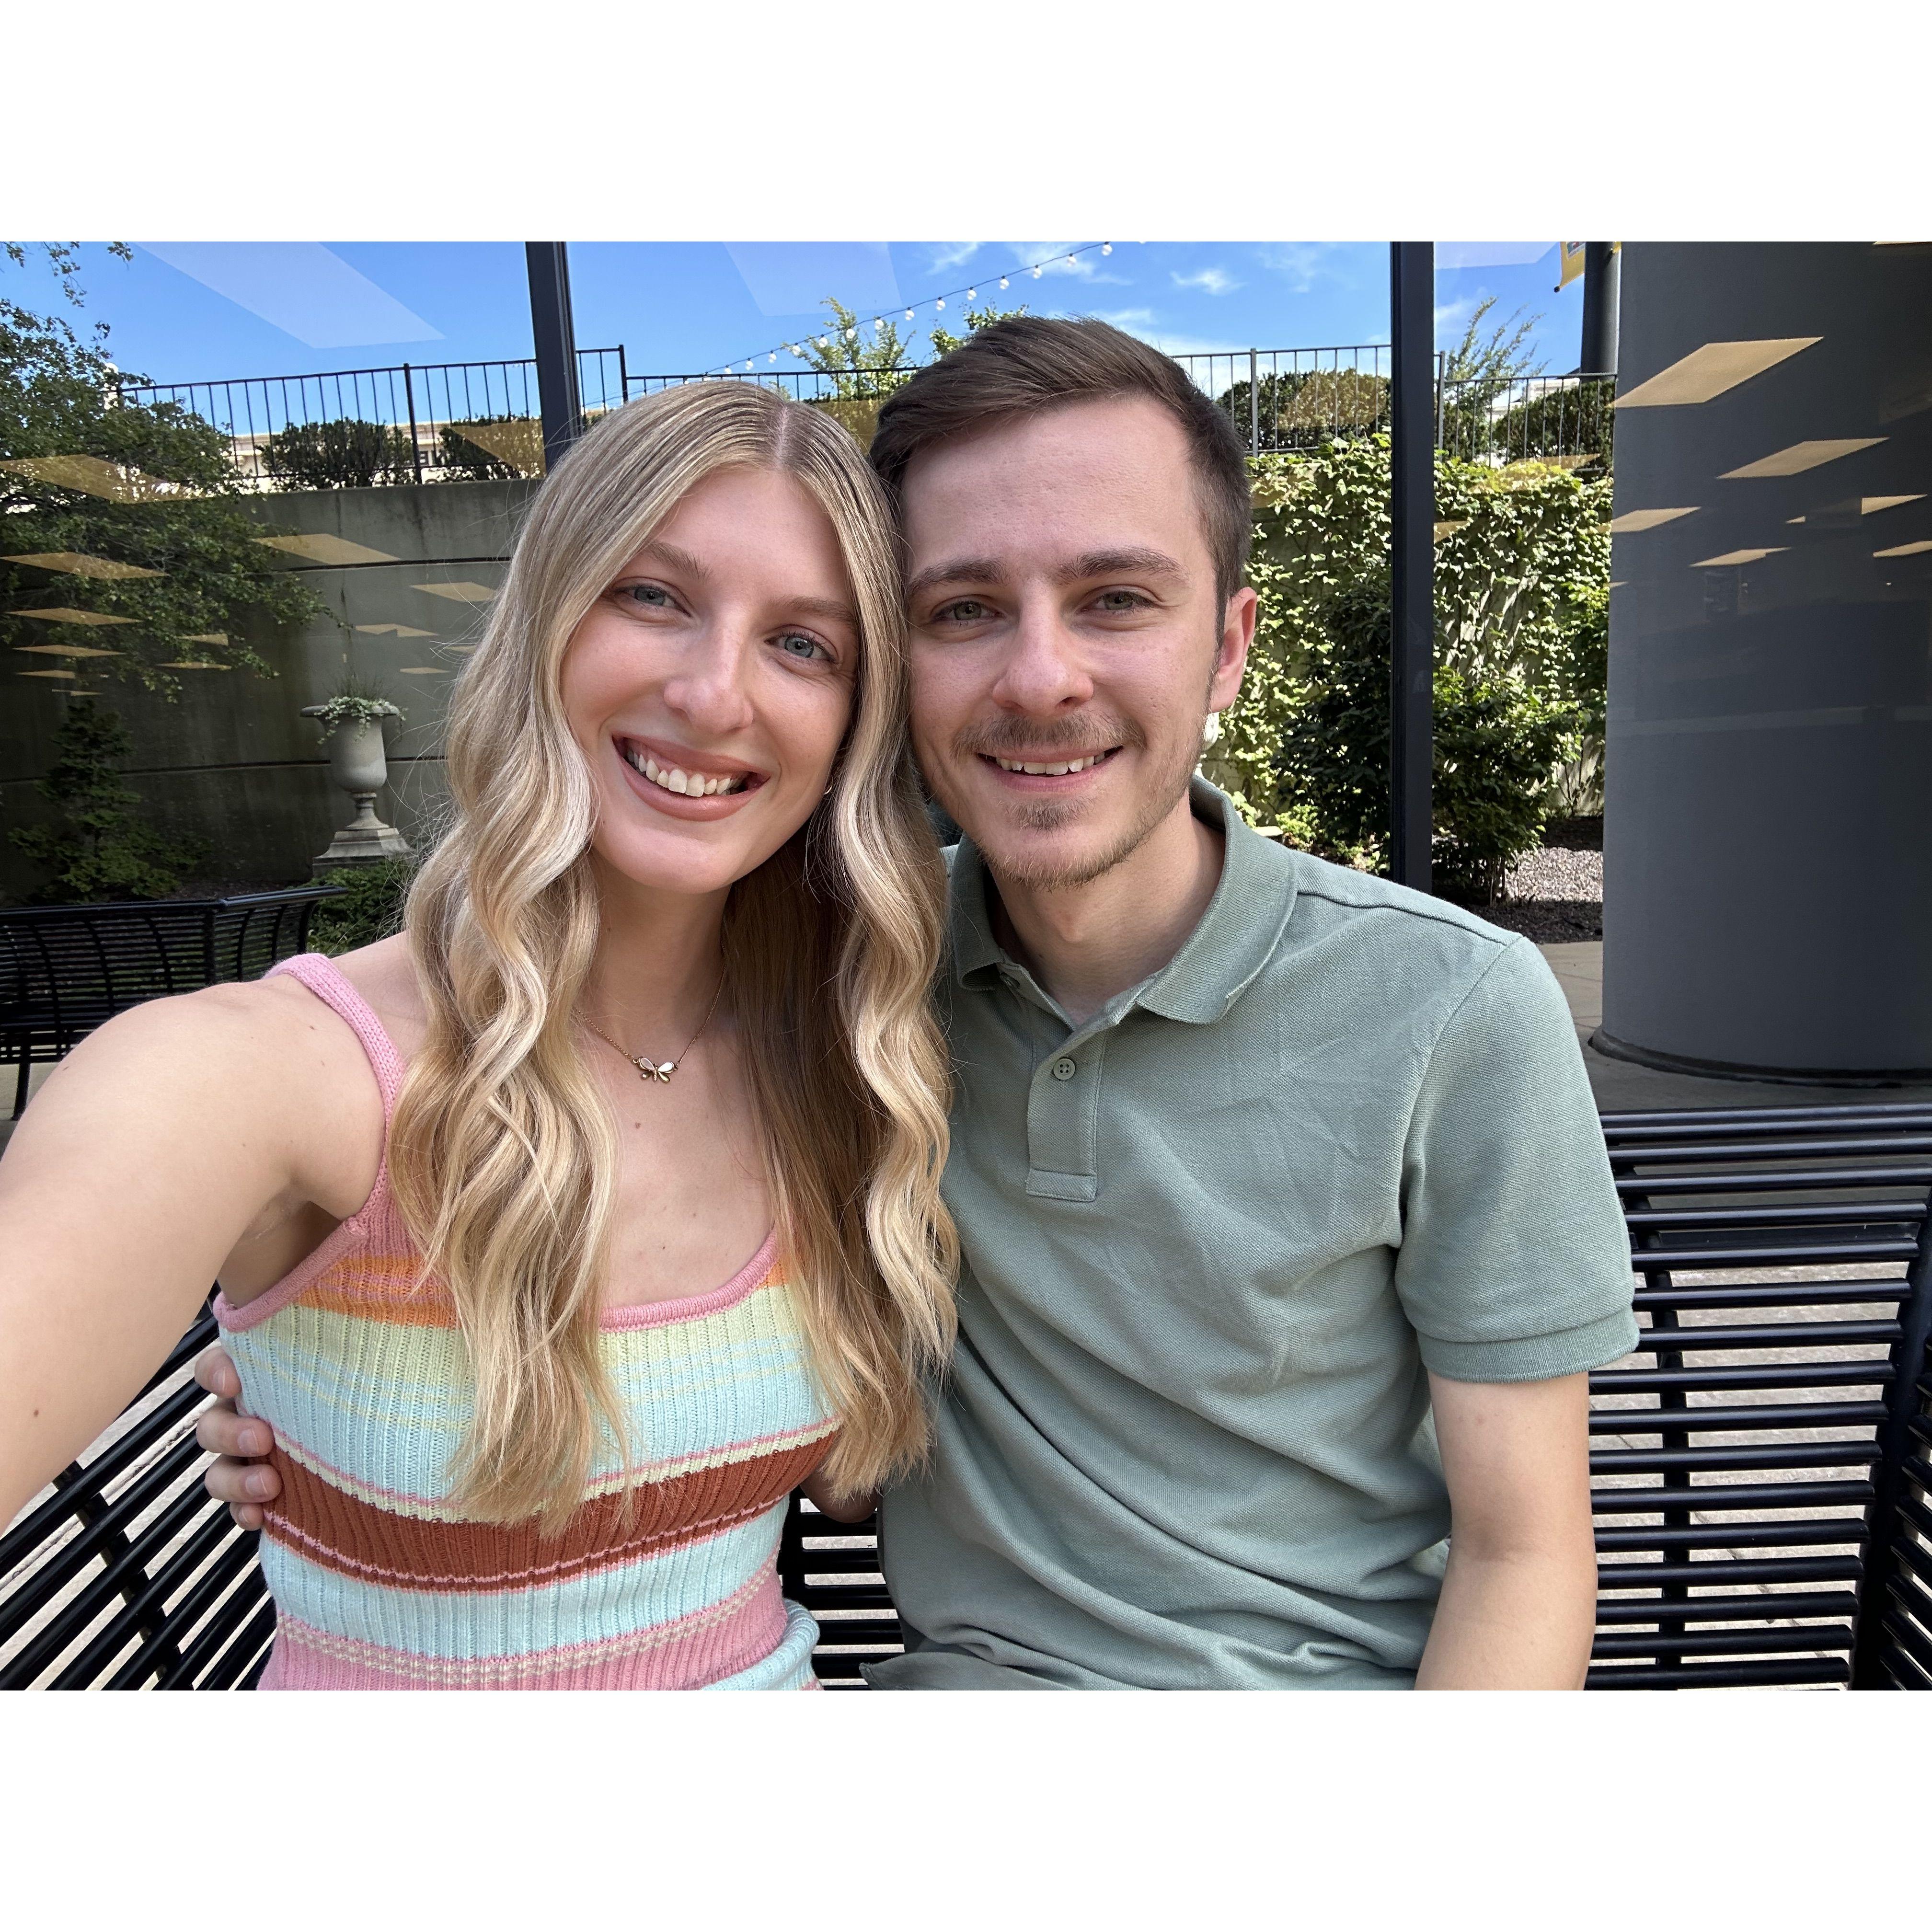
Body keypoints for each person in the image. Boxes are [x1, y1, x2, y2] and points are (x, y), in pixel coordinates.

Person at [200, 318, 1640, 1690]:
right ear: (898, 671)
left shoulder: (1453, 1007)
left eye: (1117, 599)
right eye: (964, 610)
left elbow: (1525, 1550)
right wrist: (327, 1404)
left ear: (1229, 646)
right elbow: (771, 1398)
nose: (1039, 677)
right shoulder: (838, 988)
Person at [0, 381, 958, 1690]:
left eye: (806, 645)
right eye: (654, 595)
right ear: (545, 625)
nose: (714, 691)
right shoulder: (270, 1079)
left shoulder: (845, 1064)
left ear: (855, 723)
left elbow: (831, 1482)